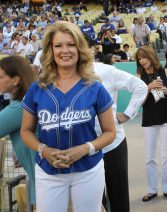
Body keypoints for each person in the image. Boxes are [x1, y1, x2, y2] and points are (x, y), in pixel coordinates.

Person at [20, 21, 116, 212]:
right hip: (49, 170)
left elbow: (110, 132)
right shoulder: (37, 88)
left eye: (71, 44)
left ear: (80, 48)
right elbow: (26, 131)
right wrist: (43, 150)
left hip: (88, 169)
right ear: (50, 50)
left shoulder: (95, 87)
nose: (65, 50)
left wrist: (85, 148)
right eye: (58, 45)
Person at [92, 61, 148, 212]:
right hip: (84, 147)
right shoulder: (65, 76)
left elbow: (140, 86)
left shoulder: (106, 71)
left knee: (118, 194)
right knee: (93, 197)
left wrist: (128, 114)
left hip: (112, 144)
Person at [135, 46, 167, 202]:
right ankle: (152, 190)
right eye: (139, 58)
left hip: (166, 117)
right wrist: (148, 88)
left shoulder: (166, 72)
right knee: (149, 156)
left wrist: (166, 92)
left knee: (166, 155)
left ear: (151, 57)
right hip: (149, 119)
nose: (142, 60)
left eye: (144, 57)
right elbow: (139, 102)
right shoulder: (139, 76)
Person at [0, 56, 36, 207]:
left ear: (15, 80)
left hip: (42, 180)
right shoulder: (29, 101)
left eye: (1, 77)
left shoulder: (19, 108)